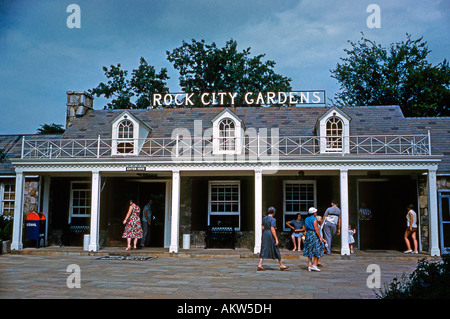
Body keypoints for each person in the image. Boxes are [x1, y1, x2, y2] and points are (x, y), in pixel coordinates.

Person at [258, 206, 289, 271]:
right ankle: (281, 265)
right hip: (270, 234)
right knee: (275, 247)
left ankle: (260, 264)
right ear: (274, 212)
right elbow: (272, 229)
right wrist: (276, 239)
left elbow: (262, 227)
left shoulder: (264, 218)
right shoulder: (273, 219)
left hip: (265, 233)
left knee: (264, 248)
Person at [303, 207, 325, 271]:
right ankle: (314, 265)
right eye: (315, 212)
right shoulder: (314, 219)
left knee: (309, 249)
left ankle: (309, 265)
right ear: (313, 213)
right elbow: (316, 229)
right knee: (317, 249)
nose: (316, 213)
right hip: (313, 234)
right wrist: (320, 237)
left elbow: (305, 228)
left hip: (308, 234)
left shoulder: (306, 219)